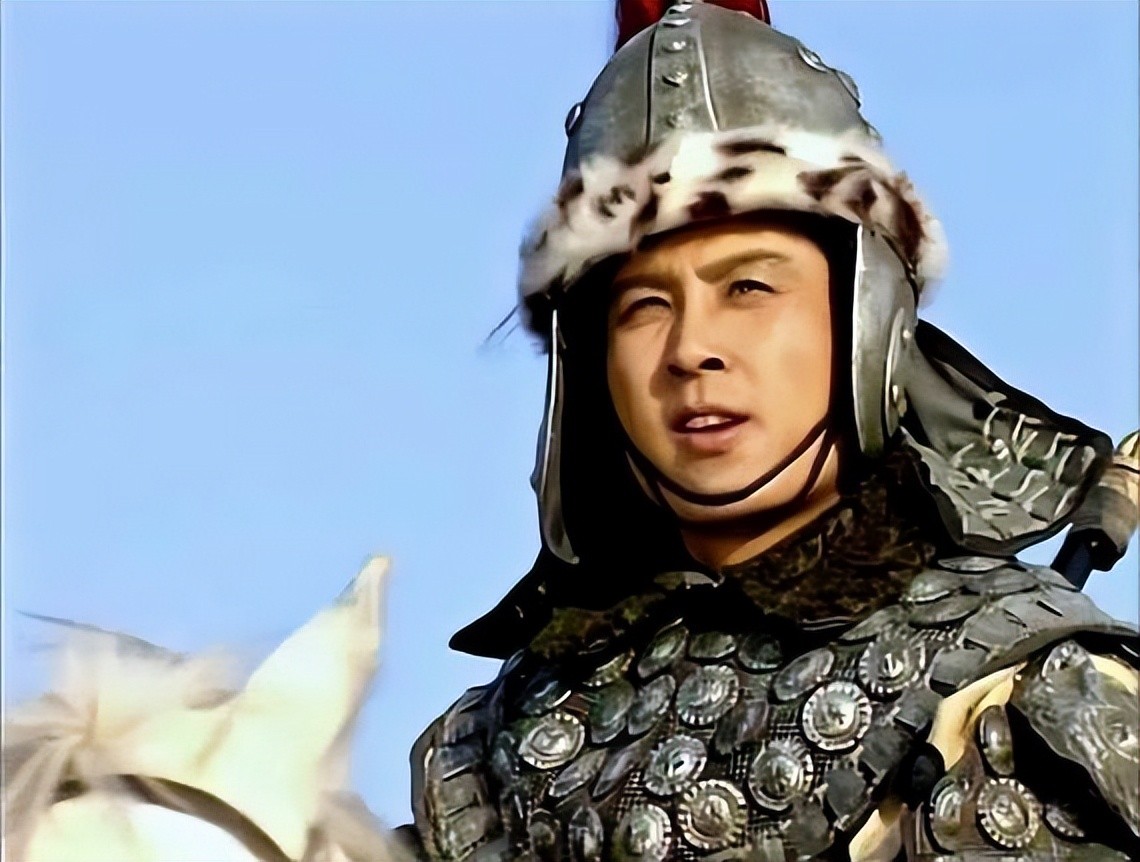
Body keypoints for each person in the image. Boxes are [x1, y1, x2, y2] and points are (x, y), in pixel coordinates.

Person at [405, 2, 1140, 861]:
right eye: (645, 306)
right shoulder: (491, 753)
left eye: (748, 288)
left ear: (864, 320)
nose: (692, 349)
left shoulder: (1013, 690)